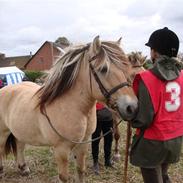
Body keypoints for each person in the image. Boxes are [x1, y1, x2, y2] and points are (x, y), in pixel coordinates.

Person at [130, 27, 183, 183]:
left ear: (154, 52)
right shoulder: (182, 78)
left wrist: (131, 118)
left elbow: (144, 119)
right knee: (163, 174)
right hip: (174, 139)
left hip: (152, 142)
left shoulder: (145, 78)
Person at [92, 102, 114, 174]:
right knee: (95, 140)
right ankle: (95, 162)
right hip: (97, 116)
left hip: (108, 117)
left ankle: (107, 161)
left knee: (109, 139)